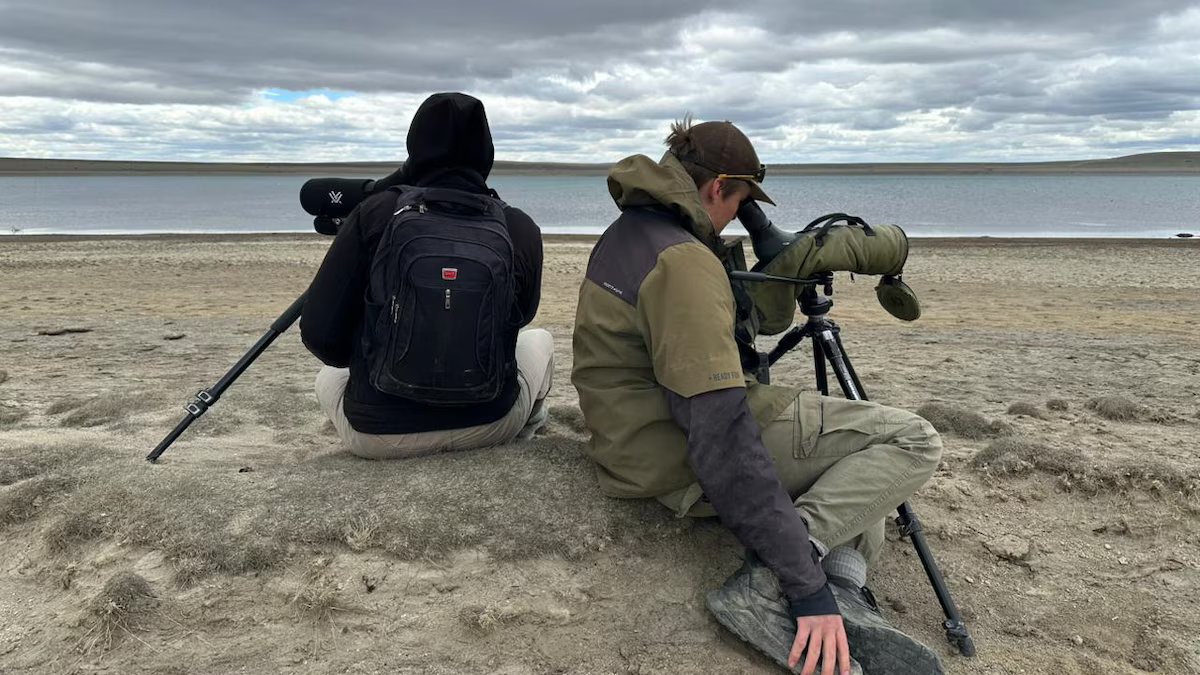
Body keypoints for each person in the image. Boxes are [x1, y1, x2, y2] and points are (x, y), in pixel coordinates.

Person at [571, 117, 944, 675]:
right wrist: (801, 581)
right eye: (740, 202)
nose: (733, 222)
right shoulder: (683, 262)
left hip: (633, 433)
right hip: (669, 456)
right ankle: (783, 584)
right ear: (717, 187)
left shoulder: (630, 232)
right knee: (911, 441)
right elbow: (719, 428)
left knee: (855, 472)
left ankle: (845, 590)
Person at [301, 92, 552, 459]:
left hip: (377, 436)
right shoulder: (519, 226)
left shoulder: (374, 213)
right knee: (539, 339)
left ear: (414, 147)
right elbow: (522, 317)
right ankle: (529, 427)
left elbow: (322, 337)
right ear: (487, 153)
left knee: (328, 378)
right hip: (489, 424)